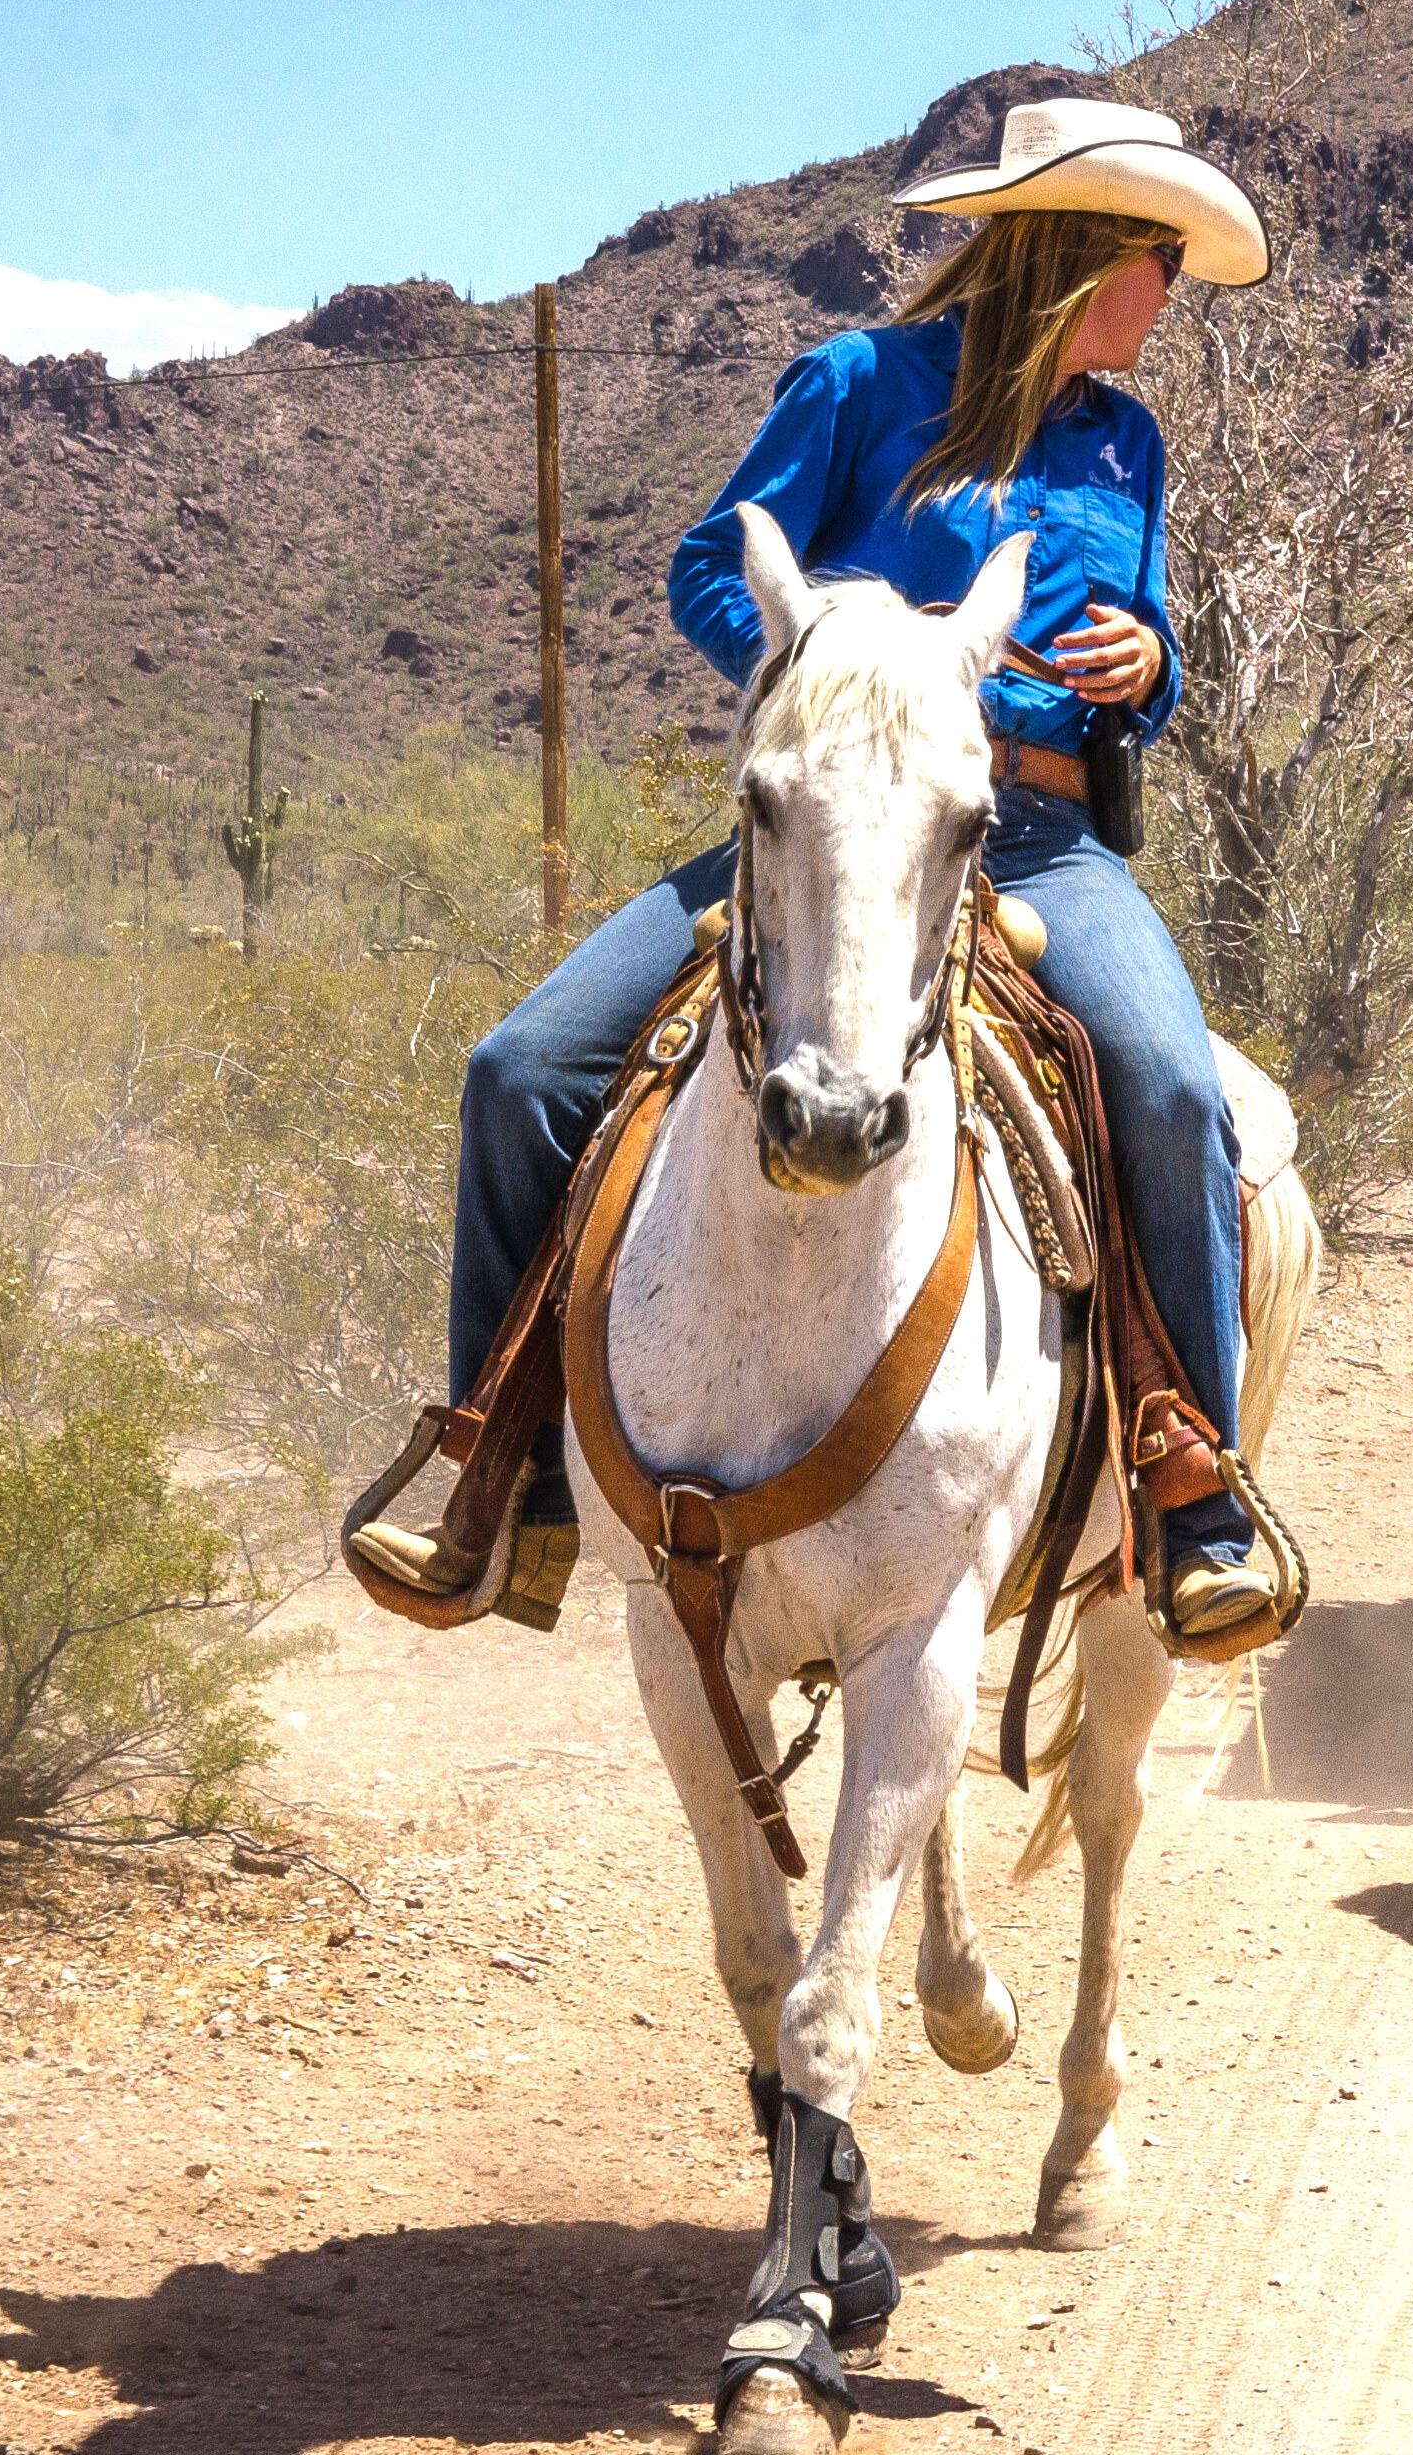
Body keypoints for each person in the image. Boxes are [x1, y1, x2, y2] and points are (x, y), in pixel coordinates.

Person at [437, 97, 1283, 1643]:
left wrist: (1143, 663)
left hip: (1038, 835)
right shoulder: (858, 385)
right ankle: (501, 1471)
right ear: (1084, 253)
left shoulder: (1127, 439)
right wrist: (827, 672)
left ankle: (1190, 1491)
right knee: (520, 1069)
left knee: (1170, 1090)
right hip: (828, 832)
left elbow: (1151, 668)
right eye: (1162, 256)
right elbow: (713, 560)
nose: (1175, 291)